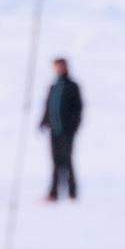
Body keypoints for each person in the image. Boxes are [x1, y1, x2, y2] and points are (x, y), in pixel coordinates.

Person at [40, 56, 84, 200]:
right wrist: (44, 121)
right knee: (56, 161)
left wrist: (73, 126)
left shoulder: (72, 86)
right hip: (54, 130)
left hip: (67, 131)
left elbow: (78, 108)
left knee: (67, 161)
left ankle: (72, 192)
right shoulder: (53, 87)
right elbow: (49, 106)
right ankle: (54, 192)